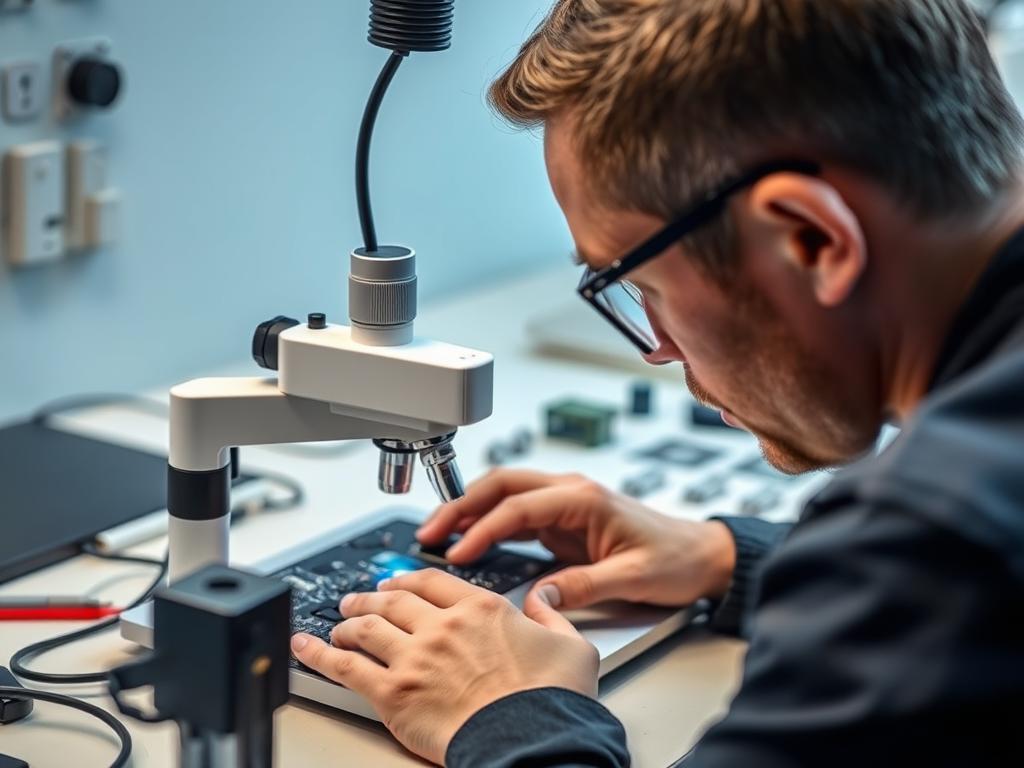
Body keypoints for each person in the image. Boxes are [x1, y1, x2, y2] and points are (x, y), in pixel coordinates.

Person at [290, 1, 1024, 765]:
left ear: (810, 238)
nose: (658, 349)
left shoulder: (934, 539)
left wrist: (518, 716)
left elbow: (950, 560)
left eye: (636, 282)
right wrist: (738, 559)